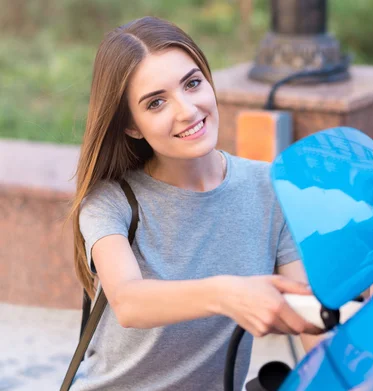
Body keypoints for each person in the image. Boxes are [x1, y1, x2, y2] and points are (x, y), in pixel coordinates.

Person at [68, 16, 323, 391]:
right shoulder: (111, 200)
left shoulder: (269, 187)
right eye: (156, 103)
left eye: (192, 83)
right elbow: (129, 302)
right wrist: (227, 294)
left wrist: (361, 313)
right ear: (132, 125)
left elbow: (309, 317)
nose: (187, 110)